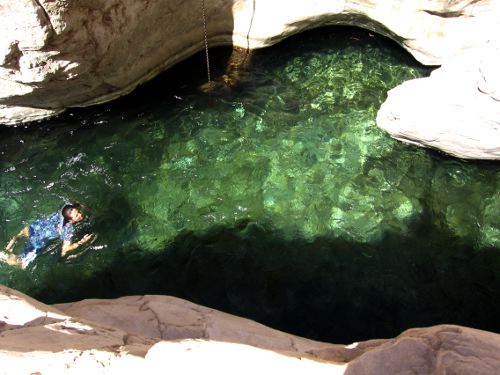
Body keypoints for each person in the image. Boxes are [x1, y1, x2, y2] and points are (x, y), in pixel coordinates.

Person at [2, 202, 95, 268]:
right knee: (22, 264)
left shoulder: (63, 210)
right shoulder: (68, 229)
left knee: (18, 237)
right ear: (71, 220)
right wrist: (81, 242)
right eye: (77, 215)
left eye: (78, 212)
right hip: (38, 241)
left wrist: (79, 204)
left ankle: (9, 246)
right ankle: (3, 257)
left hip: (34, 227)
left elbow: (70, 201)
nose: (80, 215)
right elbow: (65, 249)